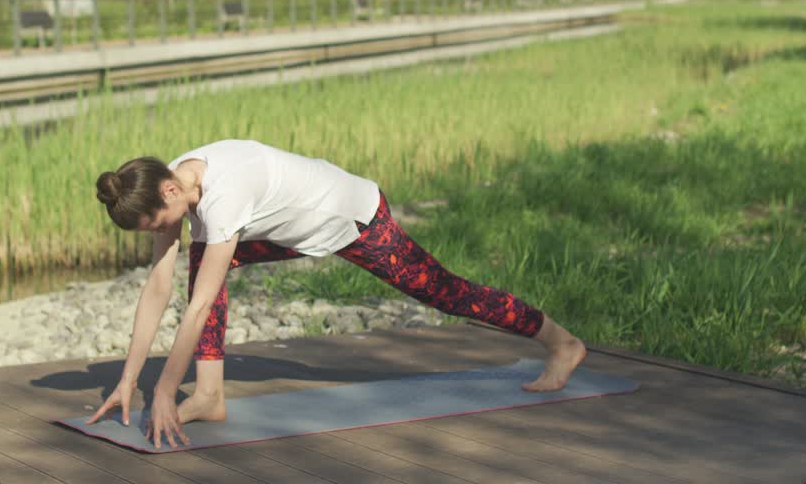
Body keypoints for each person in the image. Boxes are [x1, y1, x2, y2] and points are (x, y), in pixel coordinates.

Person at [86, 139, 586, 449]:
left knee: (447, 294)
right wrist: (131, 380)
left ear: (170, 194)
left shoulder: (223, 197)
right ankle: (211, 394)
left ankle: (562, 343)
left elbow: (195, 309)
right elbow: (157, 286)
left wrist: (166, 390)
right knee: (206, 263)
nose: (160, 232)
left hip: (354, 218)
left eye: (156, 224)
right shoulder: (170, 178)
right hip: (294, 227)